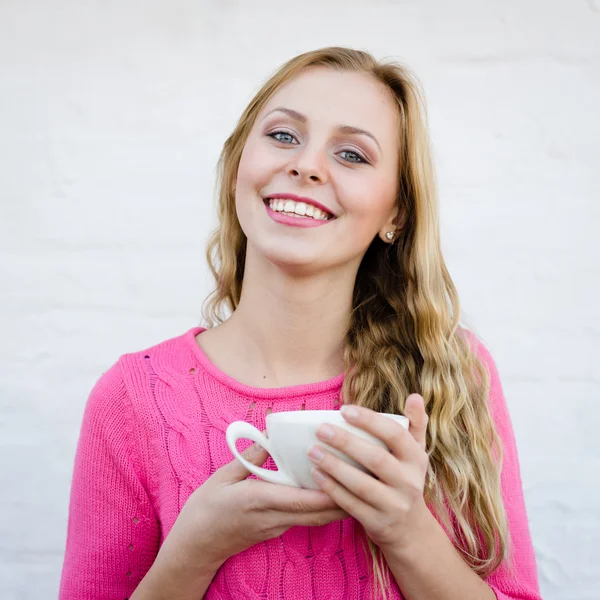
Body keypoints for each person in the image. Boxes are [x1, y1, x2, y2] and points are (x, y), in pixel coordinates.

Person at [59, 47, 543, 600]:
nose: (307, 165)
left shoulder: (453, 374)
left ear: (396, 213)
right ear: (242, 163)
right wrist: (195, 551)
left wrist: (407, 532)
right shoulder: (131, 398)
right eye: (284, 136)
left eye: (353, 155)